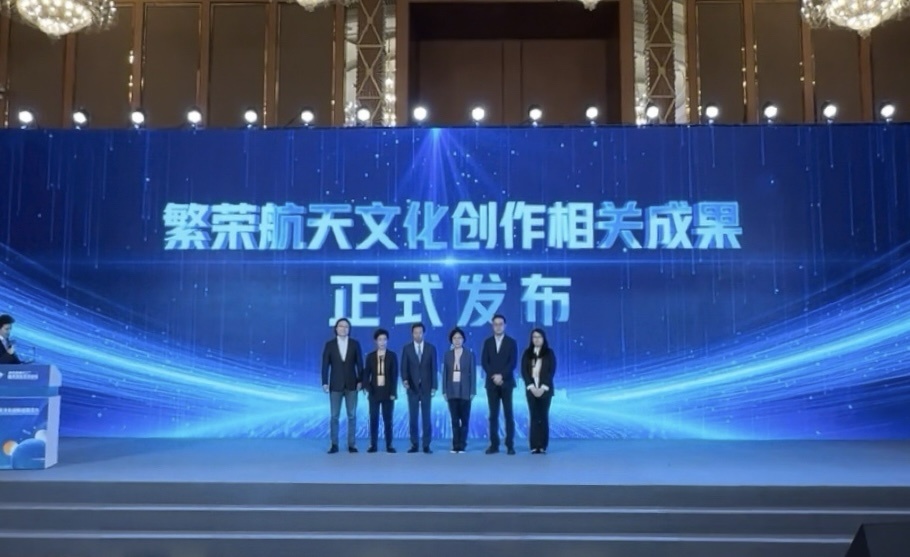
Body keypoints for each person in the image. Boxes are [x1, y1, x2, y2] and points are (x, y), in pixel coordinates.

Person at [321, 318, 364, 454]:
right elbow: (325, 365)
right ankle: (334, 444)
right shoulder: (330, 345)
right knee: (334, 416)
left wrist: (361, 381)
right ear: (336, 328)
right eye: (341, 326)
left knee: (352, 416)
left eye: (346, 327)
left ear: (349, 329)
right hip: (335, 385)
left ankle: (352, 444)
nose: (344, 329)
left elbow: (360, 364)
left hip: (352, 384)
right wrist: (324, 382)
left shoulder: (355, 344)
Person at [480, 314, 518, 455]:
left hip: (506, 383)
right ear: (492, 326)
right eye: (495, 324)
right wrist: (494, 376)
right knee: (493, 415)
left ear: (505, 326)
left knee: (508, 415)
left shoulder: (511, 342)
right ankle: (494, 445)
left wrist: (501, 376)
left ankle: (510, 445)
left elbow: (512, 362)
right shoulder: (487, 342)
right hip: (491, 384)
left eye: (500, 324)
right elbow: (485, 362)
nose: (498, 327)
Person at [400, 322, 437, 453]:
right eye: (415, 332)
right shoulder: (407, 348)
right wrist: (405, 380)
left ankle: (426, 444)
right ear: (412, 334)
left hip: (427, 387)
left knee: (426, 417)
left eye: (420, 332)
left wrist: (434, 386)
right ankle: (414, 444)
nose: (418, 335)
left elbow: (434, 368)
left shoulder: (431, 348)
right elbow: (404, 367)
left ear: (424, 333)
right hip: (412, 388)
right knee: (413, 417)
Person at [521, 328, 556, 454]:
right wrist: (531, 387)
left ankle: (542, 445)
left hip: (545, 390)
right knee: (534, 417)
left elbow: (551, 371)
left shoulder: (549, 353)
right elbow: (524, 371)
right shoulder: (527, 353)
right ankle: (534, 445)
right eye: (534, 337)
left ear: (543, 338)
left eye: (539, 337)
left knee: (543, 416)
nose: (536, 339)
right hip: (531, 390)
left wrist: (543, 388)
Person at [363, 328, 398, 453]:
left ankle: (389, 445)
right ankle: (373, 445)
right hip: (374, 392)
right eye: (380, 340)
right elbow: (366, 374)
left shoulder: (392, 356)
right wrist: (367, 388)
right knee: (373, 419)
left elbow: (394, 375)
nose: (382, 342)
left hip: (388, 393)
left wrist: (393, 392)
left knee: (388, 420)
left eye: (384, 339)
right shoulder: (370, 356)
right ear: (376, 341)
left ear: (387, 341)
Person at [442, 327, 476, 453]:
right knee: (454, 420)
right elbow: (445, 373)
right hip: (451, 391)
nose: (457, 340)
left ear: (463, 340)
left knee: (464, 420)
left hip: (465, 391)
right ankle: (455, 445)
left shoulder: (469, 354)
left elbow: (473, 373)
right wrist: (444, 390)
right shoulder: (447, 355)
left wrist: (473, 391)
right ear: (451, 340)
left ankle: (462, 444)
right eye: (455, 338)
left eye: (459, 338)